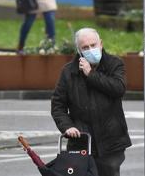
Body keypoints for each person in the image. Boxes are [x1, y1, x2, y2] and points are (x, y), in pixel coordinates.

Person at [51, 27, 132, 176]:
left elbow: (118, 88)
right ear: (79, 50)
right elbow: (58, 105)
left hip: (110, 143)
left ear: (100, 44)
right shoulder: (69, 71)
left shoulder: (114, 64)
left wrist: (90, 74)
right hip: (80, 141)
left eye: (93, 45)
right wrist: (67, 126)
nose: (90, 49)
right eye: (85, 47)